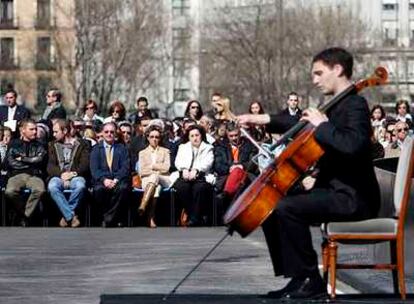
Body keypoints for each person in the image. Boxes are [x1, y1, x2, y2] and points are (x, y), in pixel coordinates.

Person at [238, 47, 380, 299]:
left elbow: (355, 145)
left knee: (286, 208)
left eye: (318, 73)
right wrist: (260, 119)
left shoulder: (355, 104)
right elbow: (300, 124)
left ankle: (310, 280)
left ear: (337, 69)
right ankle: (298, 277)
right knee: (271, 205)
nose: (314, 80)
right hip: (333, 191)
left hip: (353, 198)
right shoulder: (336, 106)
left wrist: (323, 126)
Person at [47, 119, 90, 227]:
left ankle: (66, 216)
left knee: (80, 186)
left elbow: (85, 164)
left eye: (56, 132)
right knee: (52, 186)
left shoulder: (82, 144)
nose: (54, 134)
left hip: (76, 175)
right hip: (59, 176)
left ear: (65, 130)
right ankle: (70, 216)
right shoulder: (52, 145)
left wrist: (72, 174)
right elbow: (50, 166)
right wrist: (62, 174)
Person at [5, 119, 47, 226]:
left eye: (36, 129)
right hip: (16, 174)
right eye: (31, 129)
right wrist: (31, 160)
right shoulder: (14, 143)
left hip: (34, 175)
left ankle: (24, 216)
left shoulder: (40, 144)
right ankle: (24, 215)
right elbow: (11, 162)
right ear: (23, 130)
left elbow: (40, 160)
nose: (35, 132)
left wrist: (22, 158)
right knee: (10, 191)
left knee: (40, 189)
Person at [171, 125, 215, 226]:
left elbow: (208, 162)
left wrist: (197, 170)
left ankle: (193, 218)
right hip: (185, 175)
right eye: (192, 136)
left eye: (197, 135)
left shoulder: (208, 148)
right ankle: (195, 216)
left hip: (201, 176)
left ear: (201, 136)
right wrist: (184, 169)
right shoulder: (183, 147)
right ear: (188, 137)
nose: (195, 138)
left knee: (199, 188)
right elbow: (178, 162)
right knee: (182, 187)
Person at [90, 122, 131, 227]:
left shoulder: (122, 148)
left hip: (118, 180)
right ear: (102, 133)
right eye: (106, 132)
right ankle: (110, 218)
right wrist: (104, 180)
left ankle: (108, 219)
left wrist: (116, 179)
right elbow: (94, 170)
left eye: (112, 132)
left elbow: (125, 168)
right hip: (102, 180)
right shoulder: (95, 149)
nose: (109, 134)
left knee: (123, 188)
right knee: (99, 190)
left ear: (115, 134)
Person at [138, 125, 171, 228]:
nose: (154, 139)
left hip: (163, 178)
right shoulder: (142, 153)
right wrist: (157, 170)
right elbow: (142, 171)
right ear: (148, 138)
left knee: (155, 177)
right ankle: (151, 217)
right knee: (156, 187)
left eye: (157, 137)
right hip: (147, 180)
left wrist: (152, 166)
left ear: (160, 138)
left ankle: (143, 205)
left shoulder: (165, 151)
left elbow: (166, 168)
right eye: (152, 137)